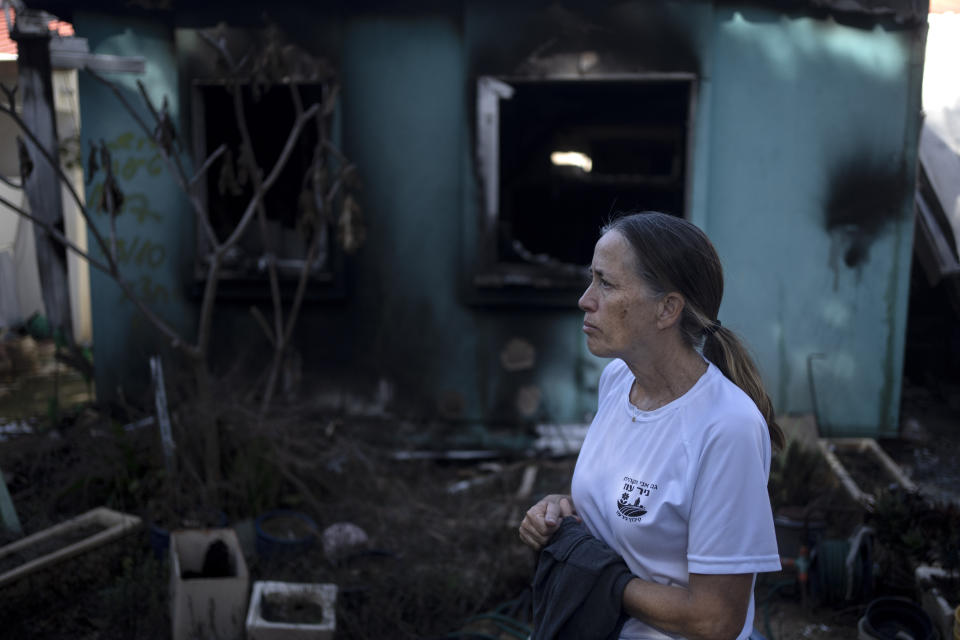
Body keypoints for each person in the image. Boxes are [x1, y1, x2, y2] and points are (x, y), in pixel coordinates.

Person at [519, 212, 785, 640]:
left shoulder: (727, 428)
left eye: (606, 284)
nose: (586, 299)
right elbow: (634, 508)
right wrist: (561, 511)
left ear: (667, 309)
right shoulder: (618, 381)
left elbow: (716, 619)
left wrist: (603, 581)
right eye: (592, 280)